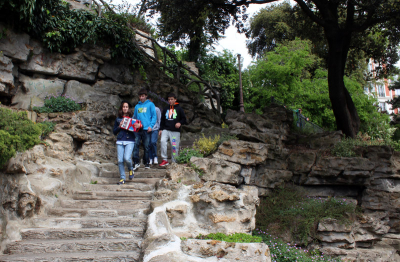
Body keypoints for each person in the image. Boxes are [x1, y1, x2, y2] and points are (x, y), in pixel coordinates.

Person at [158, 93, 187, 166]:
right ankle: (164, 159)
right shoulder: (165, 109)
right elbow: (162, 120)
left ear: (175, 99)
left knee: (174, 146)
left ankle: (174, 161)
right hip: (166, 129)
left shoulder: (179, 109)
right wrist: (161, 129)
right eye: (169, 99)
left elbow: (184, 119)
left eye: (171, 99)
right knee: (162, 141)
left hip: (175, 131)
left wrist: (180, 123)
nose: (170, 101)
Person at [133, 89, 157, 169]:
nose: (141, 98)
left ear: (146, 96)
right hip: (138, 129)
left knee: (146, 146)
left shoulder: (150, 104)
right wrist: (133, 124)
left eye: (143, 96)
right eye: (140, 96)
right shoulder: (137, 106)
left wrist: (151, 126)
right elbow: (135, 117)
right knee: (136, 144)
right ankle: (136, 162)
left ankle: (146, 163)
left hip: (147, 129)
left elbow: (154, 116)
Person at [113, 101, 135, 185]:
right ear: (122, 108)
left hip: (130, 140)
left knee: (127, 158)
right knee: (120, 160)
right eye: (124, 107)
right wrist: (119, 126)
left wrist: (138, 126)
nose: (125, 108)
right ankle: (122, 178)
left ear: (128, 108)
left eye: (126, 107)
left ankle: (130, 169)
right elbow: (114, 132)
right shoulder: (118, 119)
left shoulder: (133, 117)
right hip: (120, 140)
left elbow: (138, 129)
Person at [148, 96, 161, 165]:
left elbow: (159, 119)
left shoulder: (156, 109)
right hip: (147, 129)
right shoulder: (146, 109)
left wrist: (158, 127)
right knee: (149, 144)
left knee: (153, 142)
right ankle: (150, 158)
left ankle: (155, 156)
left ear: (152, 100)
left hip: (155, 129)